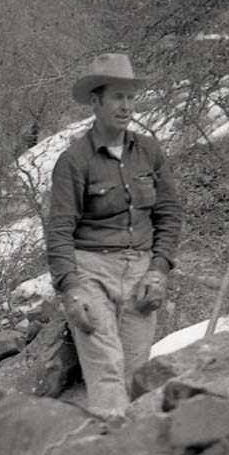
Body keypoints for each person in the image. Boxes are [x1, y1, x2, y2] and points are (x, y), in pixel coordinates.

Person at [45, 53, 184, 417]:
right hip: (91, 272)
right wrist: (72, 289)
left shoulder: (149, 151)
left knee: (135, 374)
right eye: (117, 97)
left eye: (130, 97)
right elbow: (59, 231)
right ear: (96, 102)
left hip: (140, 272)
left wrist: (159, 270)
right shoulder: (74, 161)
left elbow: (169, 214)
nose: (126, 106)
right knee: (106, 371)